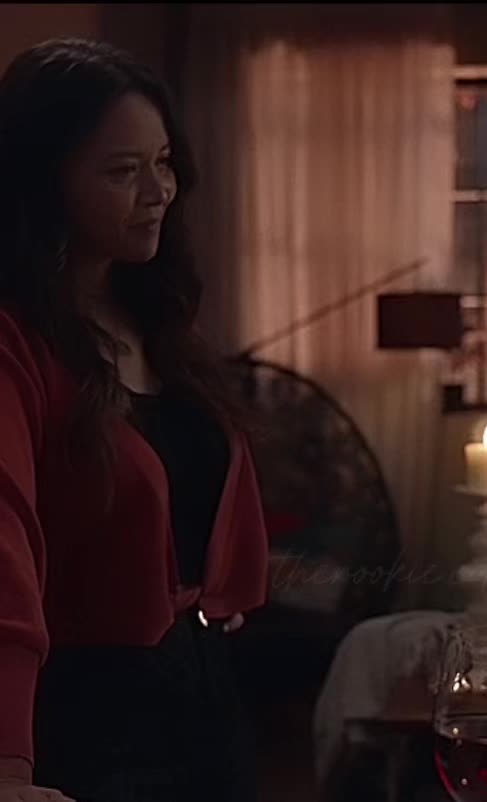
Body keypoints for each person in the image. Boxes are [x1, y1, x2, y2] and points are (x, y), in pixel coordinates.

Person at [0, 38, 269, 802]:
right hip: (86, 719)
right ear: (42, 183)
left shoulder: (155, 320)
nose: (159, 192)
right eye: (123, 172)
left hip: (205, 700)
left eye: (163, 162)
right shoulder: (16, 343)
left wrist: (214, 590)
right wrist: (7, 764)